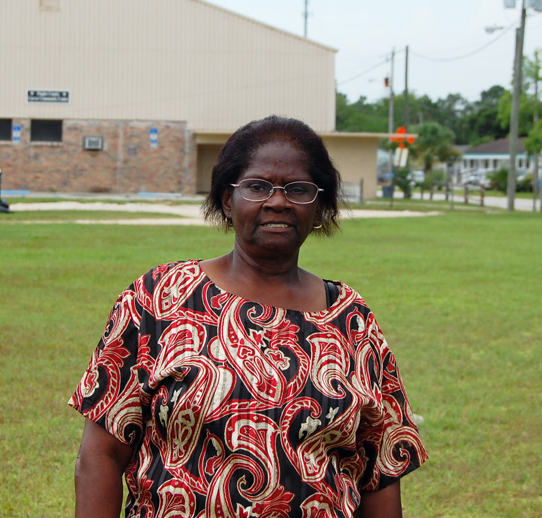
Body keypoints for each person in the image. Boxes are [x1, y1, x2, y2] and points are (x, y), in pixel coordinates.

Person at [70, 115, 427, 518]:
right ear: (227, 199)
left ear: (320, 205)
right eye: (257, 186)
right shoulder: (158, 299)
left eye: (298, 189)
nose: (278, 201)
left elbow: (379, 473)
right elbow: (100, 455)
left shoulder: (352, 320)